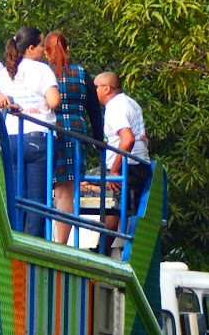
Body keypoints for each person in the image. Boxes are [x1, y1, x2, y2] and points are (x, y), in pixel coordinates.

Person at [0, 26, 60, 238]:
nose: (43, 50)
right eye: (41, 45)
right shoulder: (42, 70)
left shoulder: (4, 73)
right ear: (31, 48)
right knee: (37, 201)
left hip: (10, 138)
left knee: (15, 197)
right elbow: (54, 101)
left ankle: (13, 242)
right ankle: (34, 247)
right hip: (37, 138)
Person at [43, 31, 103, 244]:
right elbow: (94, 110)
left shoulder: (43, 73)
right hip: (75, 131)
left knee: (40, 185)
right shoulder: (81, 73)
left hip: (49, 129)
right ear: (67, 49)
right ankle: (61, 242)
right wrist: (99, 141)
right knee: (65, 193)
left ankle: (37, 237)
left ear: (45, 52)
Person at [94, 72, 149, 244]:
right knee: (110, 199)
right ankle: (105, 246)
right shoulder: (131, 103)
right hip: (139, 164)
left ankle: (103, 249)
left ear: (106, 88)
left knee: (77, 183)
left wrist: (116, 170)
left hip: (128, 166)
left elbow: (128, 139)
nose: (93, 91)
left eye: (95, 87)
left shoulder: (115, 106)